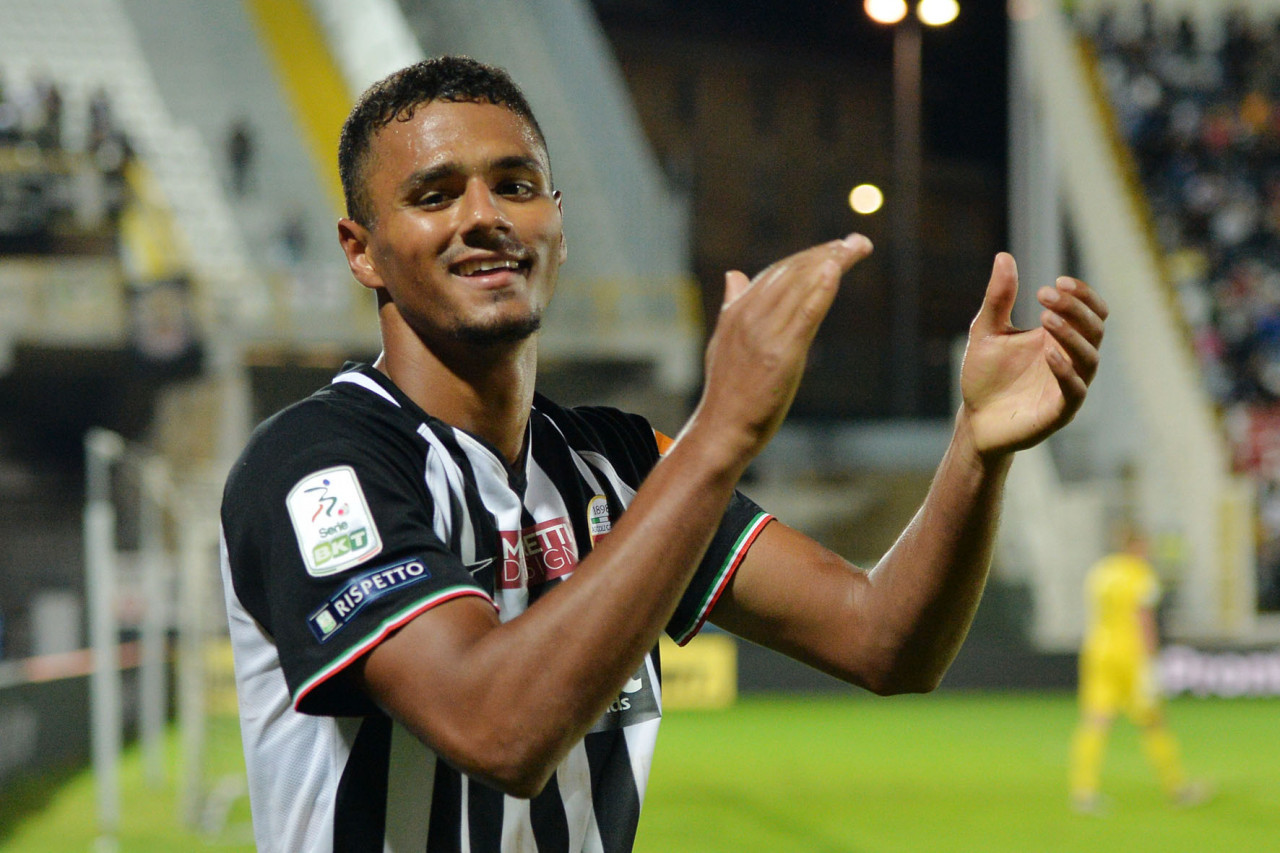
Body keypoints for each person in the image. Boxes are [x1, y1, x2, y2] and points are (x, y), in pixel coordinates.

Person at [219, 56, 1108, 852]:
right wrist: (722, 431)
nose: (484, 216)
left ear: (557, 222)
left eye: (516, 185)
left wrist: (977, 448)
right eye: (434, 194)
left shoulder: (619, 462)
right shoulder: (315, 466)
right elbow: (497, 731)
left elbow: (886, 639)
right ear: (362, 252)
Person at [1069, 526, 1209, 814]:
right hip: (1130, 654)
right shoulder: (1140, 574)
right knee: (1153, 721)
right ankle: (1177, 788)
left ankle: (1083, 792)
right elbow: (1143, 617)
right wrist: (1150, 660)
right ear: (1135, 546)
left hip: (1097, 650)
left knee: (1095, 720)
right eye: (1145, 546)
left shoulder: (1100, 571)